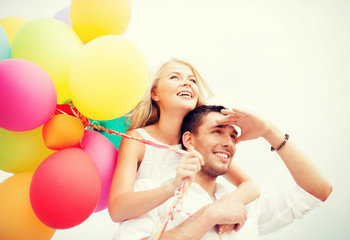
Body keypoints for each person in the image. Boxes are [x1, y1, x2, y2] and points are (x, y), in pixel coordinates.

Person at [115, 105, 333, 240]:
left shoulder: (243, 204)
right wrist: (210, 214)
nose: (228, 142)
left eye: (232, 136)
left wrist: (269, 132)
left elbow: (317, 191)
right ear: (189, 140)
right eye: (217, 131)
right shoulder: (152, 192)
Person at [108, 59, 260, 234]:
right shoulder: (137, 140)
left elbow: (251, 186)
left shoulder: (200, 143)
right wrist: (172, 187)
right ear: (155, 93)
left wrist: (226, 204)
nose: (187, 83)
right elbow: (118, 210)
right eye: (175, 77)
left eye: (192, 80)